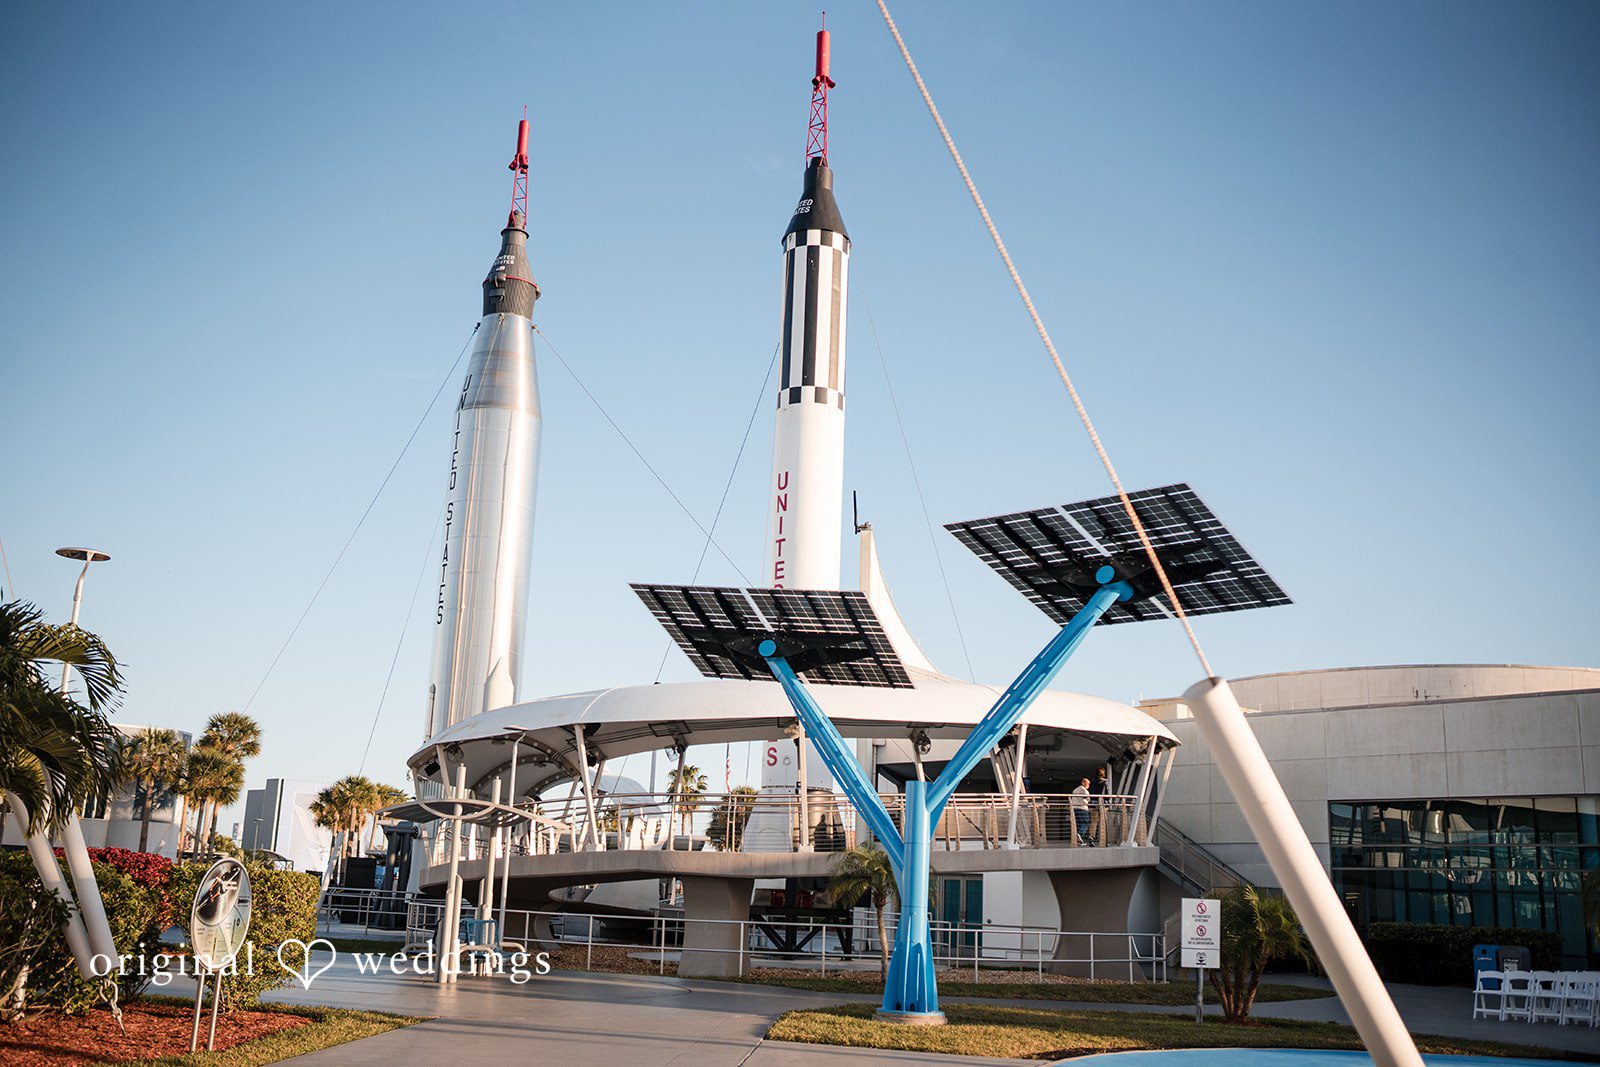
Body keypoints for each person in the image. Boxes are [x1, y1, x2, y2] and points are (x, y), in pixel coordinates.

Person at [1088, 766, 1111, 844]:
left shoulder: (1092, 781)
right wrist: (1108, 801)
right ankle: (1104, 839)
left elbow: (1090, 792)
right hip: (1103, 803)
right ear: (1103, 773)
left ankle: (1091, 837)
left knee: (1094, 821)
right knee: (1103, 821)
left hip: (1093, 803)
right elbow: (1107, 793)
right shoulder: (1105, 782)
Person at [1070, 778, 1091, 845]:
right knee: (1085, 823)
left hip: (1075, 808)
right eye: (1088, 783)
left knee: (1079, 824)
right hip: (1082, 808)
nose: (1089, 785)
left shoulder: (1075, 790)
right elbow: (1088, 799)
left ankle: (1078, 841)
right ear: (1084, 783)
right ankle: (1079, 834)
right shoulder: (1084, 790)